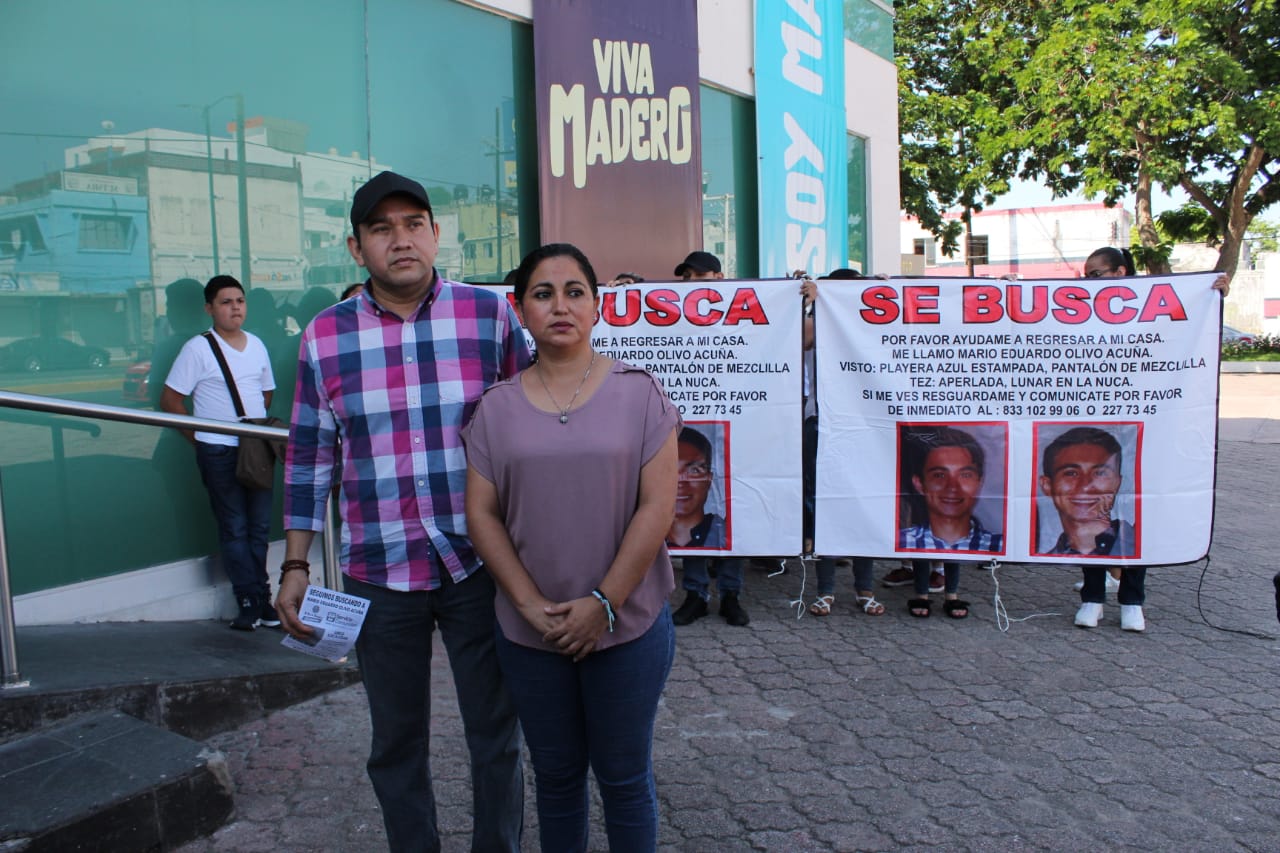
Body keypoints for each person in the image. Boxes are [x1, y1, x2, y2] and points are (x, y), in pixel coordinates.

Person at [277, 171, 528, 852]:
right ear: (357, 249)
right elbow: (308, 458)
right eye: (382, 228)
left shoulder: (491, 317)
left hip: (480, 561)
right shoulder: (324, 337)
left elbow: (532, 427)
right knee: (395, 739)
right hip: (377, 569)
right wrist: (296, 562)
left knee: (495, 732)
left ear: (436, 234)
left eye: (414, 222)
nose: (401, 238)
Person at [463, 242, 679, 853]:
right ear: (520, 309)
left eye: (574, 291)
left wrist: (602, 603)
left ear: (597, 304)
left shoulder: (641, 395)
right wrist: (530, 605)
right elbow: (481, 515)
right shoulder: (495, 410)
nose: (560, 305)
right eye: (543, 293)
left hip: (626, 627)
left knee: (623, 779)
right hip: (533, 633)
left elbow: (656, 509)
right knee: (556, 780)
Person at [160, 274, 279, 631]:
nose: (235, 308)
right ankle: (247, 599)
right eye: (226, 302)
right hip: (219, 452)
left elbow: (266, 392)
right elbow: (170, 399)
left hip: (254, 449)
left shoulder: (257, 344)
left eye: (239, 301)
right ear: (209, 308)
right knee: (235, 526)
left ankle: (263, 596)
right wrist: (199, 438)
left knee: (259, 527)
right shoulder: (198, 348)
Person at [669, 250, 749, 627]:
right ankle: (697, 594)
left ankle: (731, 593)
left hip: (740, 424)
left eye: (698, 276)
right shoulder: (669, 313)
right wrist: (625, 292)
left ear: (719, 278)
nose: (690, 285)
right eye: (685, 278)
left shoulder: (747, 308)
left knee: (734, 514)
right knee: (695, 514)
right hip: (692, 429)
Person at [799, 272, 883, 617]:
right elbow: (804, 341)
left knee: (862, 506)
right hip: (822, 423)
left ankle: (865, 588)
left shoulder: (873, 322)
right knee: (824, 507)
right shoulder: (818, 318)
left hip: (866, 427)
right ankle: (826, 590)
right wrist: (813, 305)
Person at [897, 426, 1003, 555]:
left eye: (965, 475)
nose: (952, 487)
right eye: (939, 475)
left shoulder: (999, 545)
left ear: (979, 482)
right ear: (919, 483)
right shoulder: (901, 541)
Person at [667, 426, 727, 548]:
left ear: (709, 479)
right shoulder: (637, 535)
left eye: (694, 470)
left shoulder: (726, 534)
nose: (680, 481)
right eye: (669, 470)